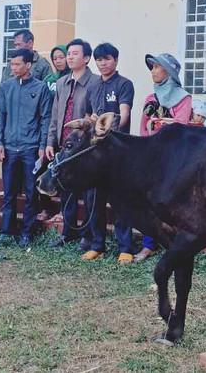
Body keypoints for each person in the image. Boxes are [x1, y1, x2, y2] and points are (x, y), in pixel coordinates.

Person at [134, 53, 193, 262]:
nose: (153, 71)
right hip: (152, 156)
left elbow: (181, 127)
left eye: (157, 67)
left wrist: (160, 124)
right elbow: (144, 127)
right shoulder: (150, 99)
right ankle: (148, 245)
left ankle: (175, 244)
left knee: (174, 203)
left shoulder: (183, 97)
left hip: (174, 158)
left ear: (168, 71)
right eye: (152, 67)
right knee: (150, 201)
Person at [0, 48, 52, 247]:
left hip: (31, 147)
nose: (13, 68)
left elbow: (46, 119)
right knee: (9, 192)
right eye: (12, 64)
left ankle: (27, 232)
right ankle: (6, 231)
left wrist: (43, 145)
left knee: (31, 192)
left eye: (17, 64)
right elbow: (0, 116)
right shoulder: (6, 87)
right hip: (9, 147)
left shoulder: (41, 88)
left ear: (28, 65)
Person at [84, 42, 136, 263]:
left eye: (107, 59)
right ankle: (98, 245)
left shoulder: (124, 84)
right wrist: (90, 121)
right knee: (93, 199)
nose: (103, 63)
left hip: (118, 152)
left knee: (121, 202)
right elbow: (88, 115)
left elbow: (123, 115)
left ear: (116, 60)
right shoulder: (93, 86)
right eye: (99, 60)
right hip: (95, 154)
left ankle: (126, 248)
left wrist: (109, 124)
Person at [46, 38, 100, 249]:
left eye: (74, 53)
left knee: (87, 194)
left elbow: (96, 116)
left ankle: (87, 235)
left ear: (86, 58)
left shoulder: (96, 82)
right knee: (66, 190)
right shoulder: (61, 83)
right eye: (68, 53)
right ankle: (68, 233)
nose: (69, 57)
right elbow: (55, 116)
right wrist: (51, 141)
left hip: (84, 148)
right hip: (64, 144)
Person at [37, 44, 70, 221]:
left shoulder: (71, 79)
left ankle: (64, 211)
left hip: (66, 131)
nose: (58, 61)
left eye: (61, 57)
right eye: (55, 58)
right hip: (49, 128)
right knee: (44, 167)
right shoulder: (49, 79)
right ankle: (45, 207)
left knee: (64, 170)